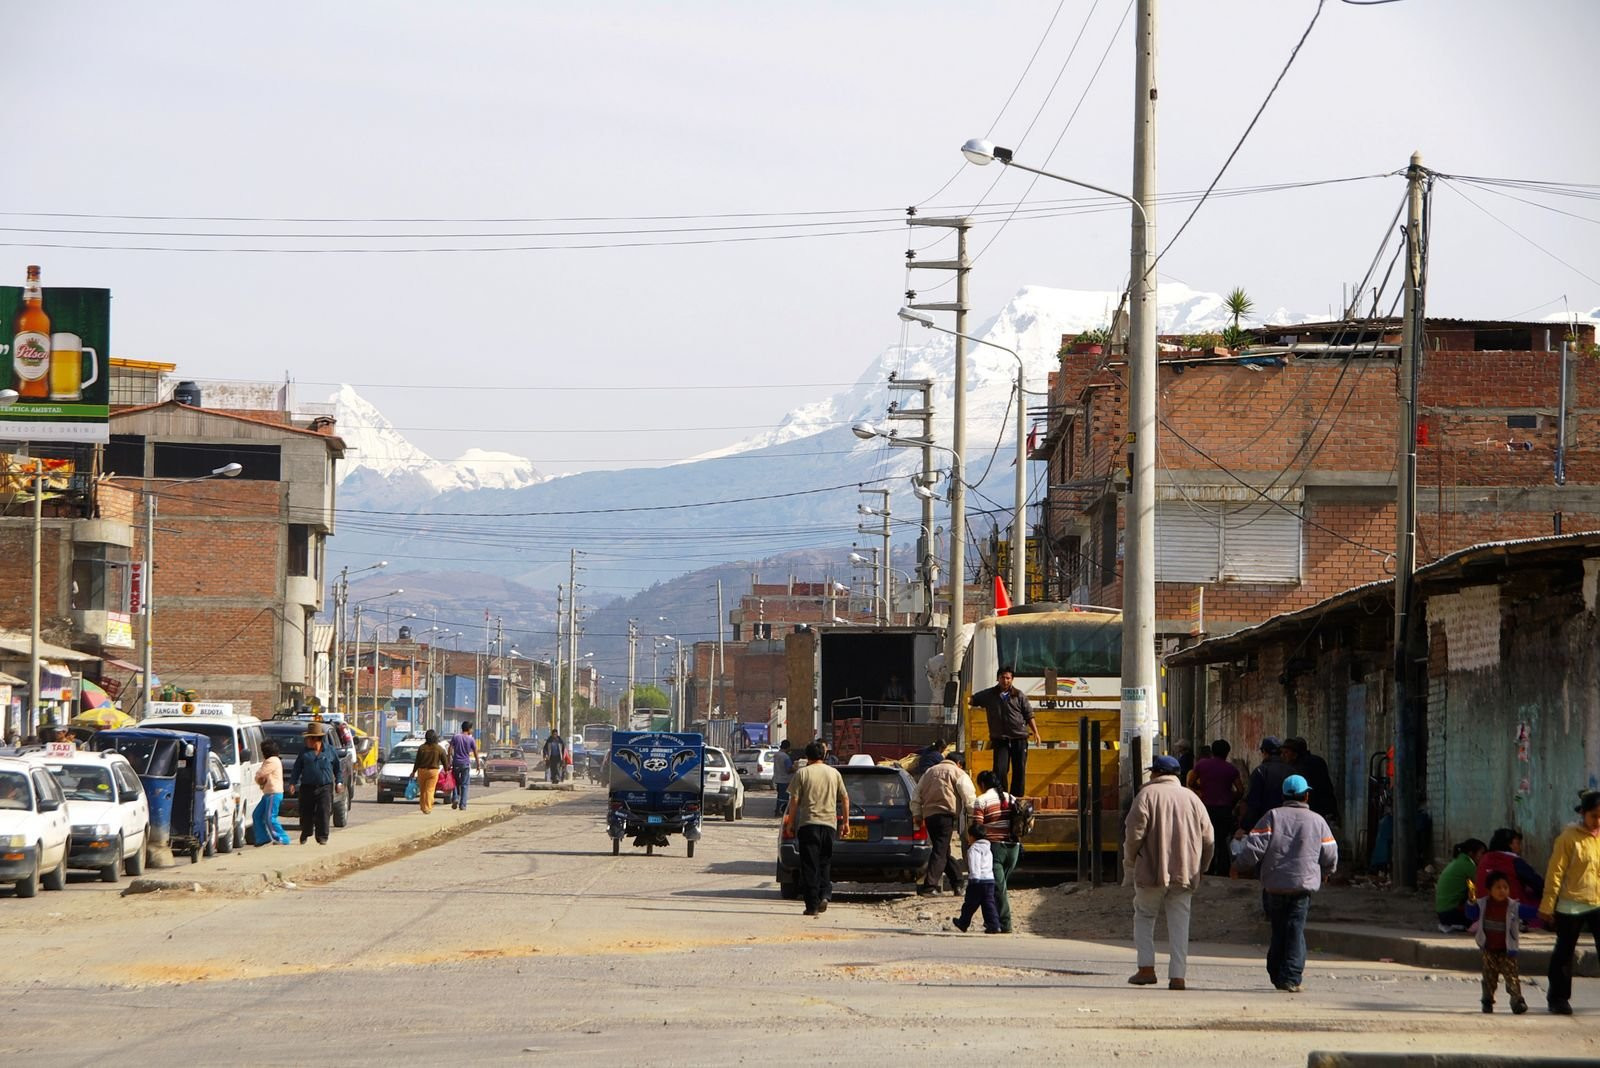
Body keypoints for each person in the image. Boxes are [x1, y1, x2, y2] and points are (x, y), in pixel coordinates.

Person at [1234, 774, 1338, 993]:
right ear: (1306, 795)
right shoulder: (1318, 821)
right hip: (1303, 886)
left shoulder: (1272, 817)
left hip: (1274, 885)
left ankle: (1276, 971)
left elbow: (1254, 848)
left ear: (1283, 795)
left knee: (1279, 928)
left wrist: (1239, 865)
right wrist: (1328, 871)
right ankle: (1290, 976)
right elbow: (1329, 853)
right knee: (1295, 929)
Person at [1125, 754, 1215, 991]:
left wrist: (1131, 860)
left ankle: (1146, 969)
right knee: (1180, 923)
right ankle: (1178, 977)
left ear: (1155, 773)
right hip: (1186, 872)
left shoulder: (1145, 795)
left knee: (1144, 916)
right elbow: (1209, 839)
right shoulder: (1193, 799)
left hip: (1152, 871)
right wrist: (1202, 867)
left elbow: (1133, 834)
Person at [1540, 790, 1600, 1016]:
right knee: (1564, 953)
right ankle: (1557, 998)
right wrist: (1547, 905)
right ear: (1583, 813)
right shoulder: (1568, 838)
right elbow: (1555, 872)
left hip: (1598, 901)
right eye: (1594, 816)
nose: (1598, 821)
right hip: (1571, 903)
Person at [784, 741, 849, 917]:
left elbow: (794, 801)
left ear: (807, 756)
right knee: (825, 861)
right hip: (829, 825)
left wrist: (790, 823)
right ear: (824, 755)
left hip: (808, 824)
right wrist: (846, 823)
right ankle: (825, 894)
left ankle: (812, 905)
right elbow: (844, 798)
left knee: (809, 865)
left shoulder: (802, 773)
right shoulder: (834, 773)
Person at [969, 665, 1040, 797]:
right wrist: (966, 701)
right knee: (1000, 770)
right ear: (998, 678)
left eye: (1008, 678)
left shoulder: (1019, 695)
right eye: (1002, 677)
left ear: (1012, 679)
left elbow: (1029, 714)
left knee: (1019, 769)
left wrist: (1036, 732)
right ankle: (1002, 797)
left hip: (1019, 738)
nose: (1005, 681)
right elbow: (973, 699)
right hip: (1000, 739)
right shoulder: (989, 695)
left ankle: (1016, 798)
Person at [912, 751, 976, 897]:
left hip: (929, 816)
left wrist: (917, 813)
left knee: (942, 849)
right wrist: (973, 816)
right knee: (940, 851)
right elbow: (969, 797)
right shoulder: (958, 772)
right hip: (946, 816)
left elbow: (916, 794)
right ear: (959, 763)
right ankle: (930, 887)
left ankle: (958, 883)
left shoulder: (929, 772)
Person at [968, 770, 1022, 933]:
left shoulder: (981, 800)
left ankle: (1005, 924)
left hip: (995, 849)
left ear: (982, 785)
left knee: (999, 889)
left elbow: (977, 828)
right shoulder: (1011, 798)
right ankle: (993, 922)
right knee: (996, 887)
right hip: (1014, 849)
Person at [1475, 871, 1533, 1015]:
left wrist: (1545, 911)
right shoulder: (1482, 904)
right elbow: (1470, 913)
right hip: (1489, 949)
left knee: (1512, 976)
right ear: (1489, 890)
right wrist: (1470, 902)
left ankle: (1517, 1001)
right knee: (1489, 976)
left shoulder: (1513, 906)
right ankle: (1487, 1000)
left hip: (1508, 950)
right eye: (1498, 887)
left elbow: (1530, 912)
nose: (1502, 891)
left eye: (1505, 887)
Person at [1187, 739, 1243, 876]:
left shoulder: (1202, 765)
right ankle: (1223, 870)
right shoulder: (1231, 769)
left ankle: (1208, 869)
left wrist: (1201, 789)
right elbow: (1240, 790)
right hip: (1224, 810)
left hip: (1206, 808)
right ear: (1227, 753)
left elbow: (1190, 781)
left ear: (1212, 751)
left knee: (1206, 838)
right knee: (1222, 841)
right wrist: (1231, 800)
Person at [287, 721, 339, 845]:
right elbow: (297, 768)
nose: (306, 741)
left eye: (309, 738)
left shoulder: (330, 751)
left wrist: (339, 782)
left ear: (316, 739)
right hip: (307, 787)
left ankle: (322, 836)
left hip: (325, 787)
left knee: (323, 811)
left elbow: (337, 768)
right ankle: (306, 832)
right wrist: (292, 783)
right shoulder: (304, 753)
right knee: (306, 812)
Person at [1478, 828, 1545, 917]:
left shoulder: (1484, 859)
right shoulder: (1514, 861)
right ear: (1509, 844)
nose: (1520, 848)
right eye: (1517, 843)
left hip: (1482, 910)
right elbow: (1537, 883)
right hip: (1511, 911)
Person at [950, 823, 1000, 933]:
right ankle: (994, 925)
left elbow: (974, 864)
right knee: (989, 904)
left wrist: (974, 878)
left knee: (969, 904)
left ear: (972, 836)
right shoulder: (988, 848)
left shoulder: (974, 849)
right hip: (989, 880)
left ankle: (963, 923)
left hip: (978, 881)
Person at [1240, 737, 1294, 832]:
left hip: (1265, 825)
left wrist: (1245, 827)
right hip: (1289, 824)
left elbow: (1253, 803)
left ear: (1264, 751)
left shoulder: (1260, 771)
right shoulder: (1292, 771)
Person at [1284, 736, 1339, 825]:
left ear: (1295, 753)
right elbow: (1327, 787)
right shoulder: (1319, 761)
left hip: (1307, 810)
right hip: (1323, 809)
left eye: (1287, 752)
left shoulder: (1296, 768)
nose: (1284, 756)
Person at [1436, 838, 1488, 932]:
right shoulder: (1468, 865)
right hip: (1451, 913)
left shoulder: (1458, 861)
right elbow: (1483, 886)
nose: (1484, 857)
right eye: (1482, 853)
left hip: (1443, 912)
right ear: (1471, 853)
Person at [251, 740, 290, 846]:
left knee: (270, 817)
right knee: (257, 815)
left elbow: (260, 774)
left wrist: (258, 778)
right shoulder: (270, 760)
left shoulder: (272, 761)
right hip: (268, 793)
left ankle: (282, 838)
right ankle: (262, 837)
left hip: (274, 793)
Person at [409, 730, 448, 814]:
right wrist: (446, 770)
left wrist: (413, 772)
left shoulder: (422, 748)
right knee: (430, 790)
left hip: (422, 771)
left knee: (423, 790)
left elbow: (417, 761)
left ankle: (423, 807)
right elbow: (445, 760)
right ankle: (428, 807)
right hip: (433, 772)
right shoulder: (439, 748)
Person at [450, 721, 482, 809]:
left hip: (456, 763)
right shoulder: (471, 739)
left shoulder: (456, 737)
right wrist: (478, 764)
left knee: (454, 782)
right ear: (468, 729)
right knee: (464, 784)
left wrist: (450, 759)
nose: (472, 730)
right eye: (471, 728)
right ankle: (463, 805)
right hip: (465, 764)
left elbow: (450, 748)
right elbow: (475, 752)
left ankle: (455, 798)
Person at [772, 739, 794, 817]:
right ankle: (782, 811)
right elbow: (788, 769)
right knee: (784, 798)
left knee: (780, 797)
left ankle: (777, 810)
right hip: (785, 780)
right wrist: (795, 768)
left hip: (777, 778)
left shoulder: (776, 755)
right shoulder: (785, 757)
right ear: (788, 747)